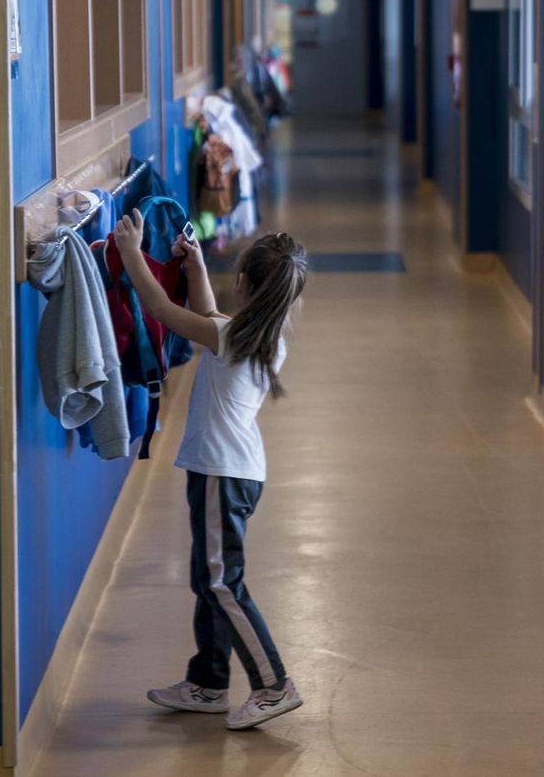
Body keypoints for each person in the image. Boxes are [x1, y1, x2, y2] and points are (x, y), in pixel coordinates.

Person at [111, 215, 310, 731]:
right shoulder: (260, 335)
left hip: (223, 473)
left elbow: (162, 309)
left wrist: (130, 251)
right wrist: (196, 265)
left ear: (245, 284)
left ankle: (273, 685)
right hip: (229, 470)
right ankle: (209, 682)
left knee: (223, 583)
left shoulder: (231, 336)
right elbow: (209, 315)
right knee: (209, 578)